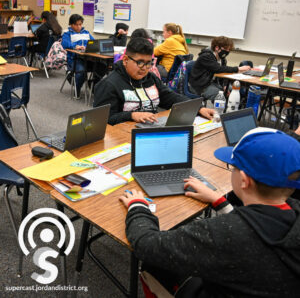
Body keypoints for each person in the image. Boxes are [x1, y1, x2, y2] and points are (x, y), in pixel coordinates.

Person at [119, 127, 300, 298]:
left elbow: (146, 244)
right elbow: (258, 225)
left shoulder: (223, 234)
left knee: (153, 265)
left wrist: (137, 207)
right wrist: (219, 201)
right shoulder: (293, 212)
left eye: (233, 167)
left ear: (244, 180)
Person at [93, 37, 214, 125]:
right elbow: (102, 119)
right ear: (125, 60)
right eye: (140, 62)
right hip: (121, 137)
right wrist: (131, 115)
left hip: (150, 129)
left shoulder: (151, 78)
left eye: (149, 63)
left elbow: (171, 97)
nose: (145, 68)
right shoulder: (109, 84)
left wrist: (199, 108)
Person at [189, 36, 251, 101]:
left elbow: (222, 74)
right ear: (216, 48)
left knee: (234, 90)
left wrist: (224, 86)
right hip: (201, 86)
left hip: (212, 83)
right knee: (220, 96)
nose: (227, 51)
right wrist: (238, 69)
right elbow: (218, 69)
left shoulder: (222, 59)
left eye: (229, 50)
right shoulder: (206, 56)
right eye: (225, 49)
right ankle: (220, 110)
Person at [61, 14, 94, 98]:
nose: (79, 26)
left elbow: (94, 43)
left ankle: (92, 84)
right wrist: (75, 46)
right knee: (81, 71)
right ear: (71, 24)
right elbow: (65, 43)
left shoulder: (86, 33)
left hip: (88, 58)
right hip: (75, 59)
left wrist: (87, 47)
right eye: (76, 24)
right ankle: (77, 88)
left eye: (80, 24)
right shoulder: (67, 34)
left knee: (102, 67)